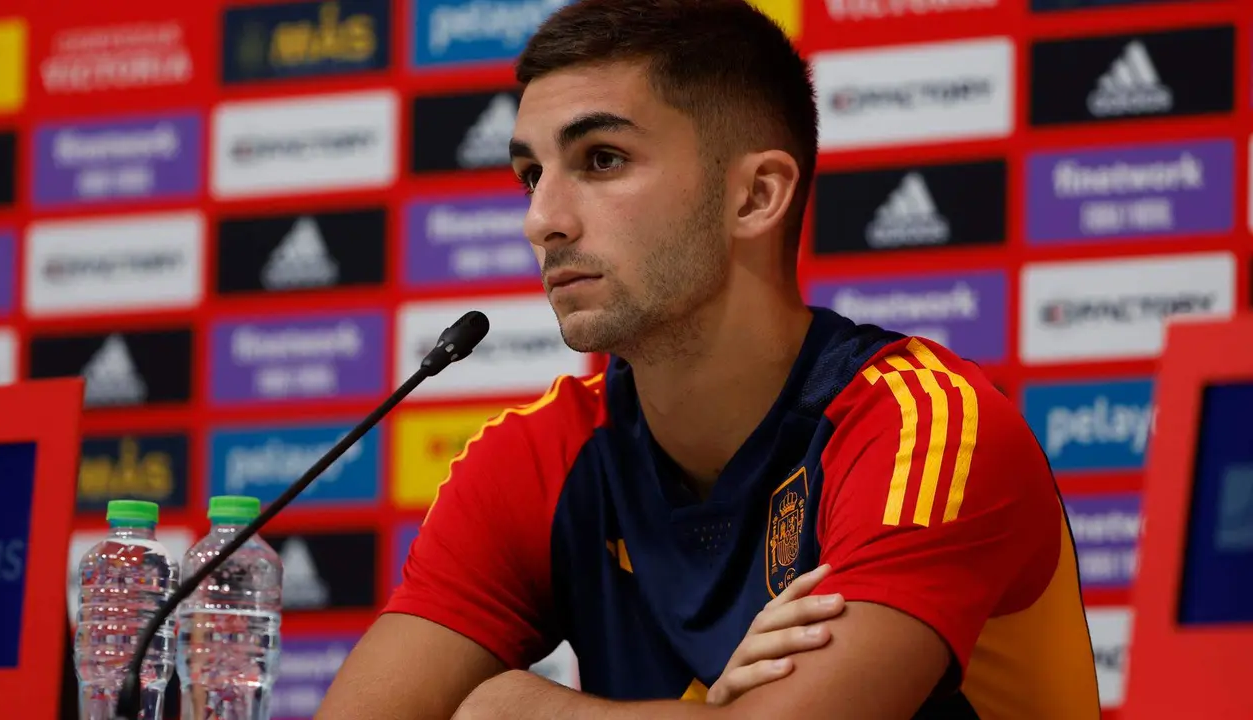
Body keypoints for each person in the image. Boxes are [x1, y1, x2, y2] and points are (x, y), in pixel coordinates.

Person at [315, 1, 1101, 718]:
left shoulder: (923, 426)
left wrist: (515, 711)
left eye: (602, 160)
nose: (542, 220)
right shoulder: (536, 459)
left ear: (756, 196)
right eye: (531, 175)